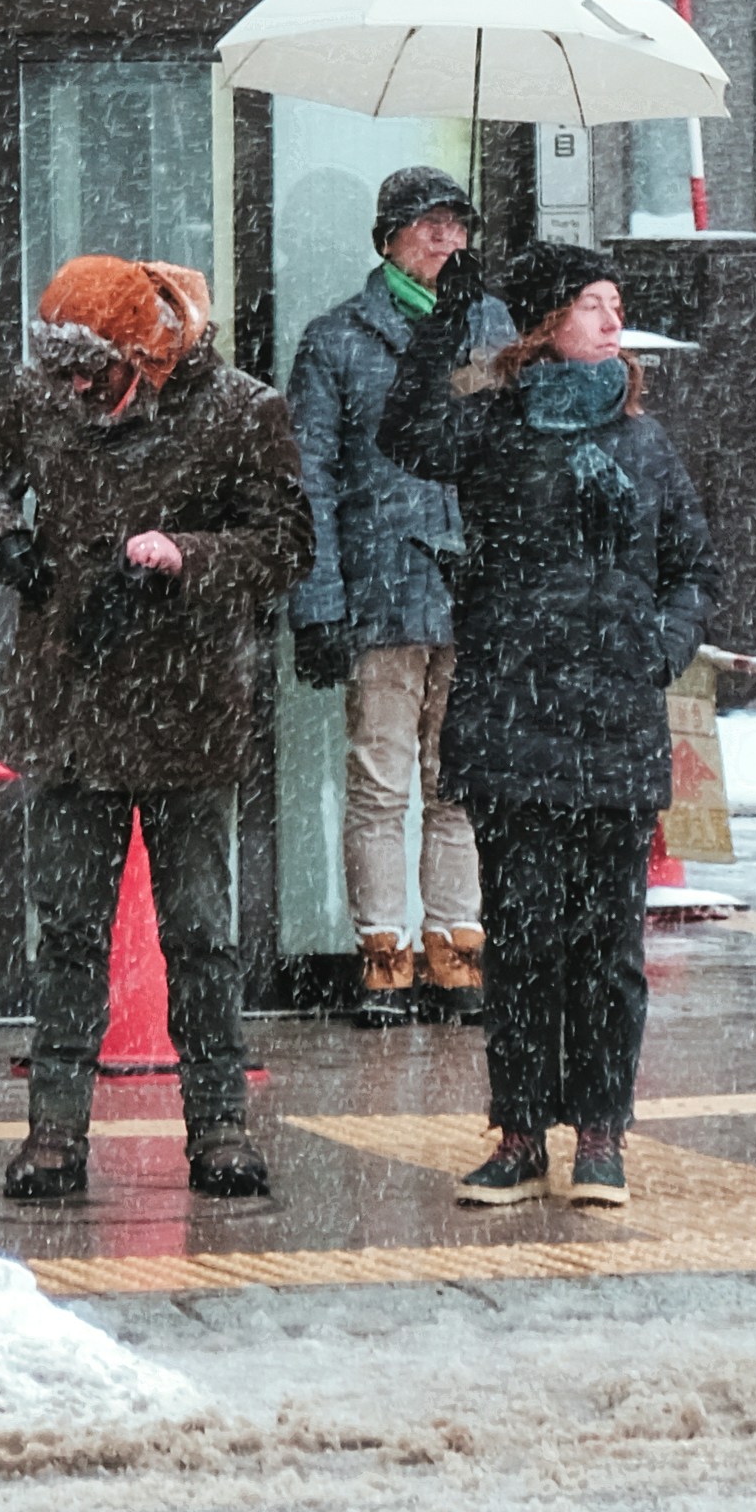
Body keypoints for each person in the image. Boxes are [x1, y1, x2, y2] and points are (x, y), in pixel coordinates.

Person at [0, 255, 309, 1211]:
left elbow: (287, 544)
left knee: (199, 931)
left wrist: (183, 554)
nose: (75, 390)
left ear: (142, 354)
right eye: (62, 372)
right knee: (67, 929)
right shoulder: (47, 394)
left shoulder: (238, 409)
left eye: (93, 373)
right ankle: (54, 1134)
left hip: (185, 704)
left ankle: (222, 1127)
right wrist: (6, 538)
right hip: (69, 703)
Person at [378, 237, 707, 1218]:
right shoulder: (494, 427)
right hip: (514, 724)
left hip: (614, 728)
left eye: (616, 305)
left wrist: (661, 643)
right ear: (546, 325)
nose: (613, 319)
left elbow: (695, 569)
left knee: (606, 946)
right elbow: (407, 432)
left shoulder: (648, 445)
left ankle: (601, 1134)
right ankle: (518, 1134)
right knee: (519, 942)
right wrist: (446, 317)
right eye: (592, 304)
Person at [286, 165, 509, 1026]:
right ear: (388, 240)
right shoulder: (338, 340)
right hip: (383, 592)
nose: (448, 242)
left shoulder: (492, 329)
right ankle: (383, 957)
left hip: (474, 590)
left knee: (456, 784)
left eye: (457, 227)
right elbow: (312, 483)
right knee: (380, 784)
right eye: (430, 227)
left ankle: (457, 950)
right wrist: (319, 603)